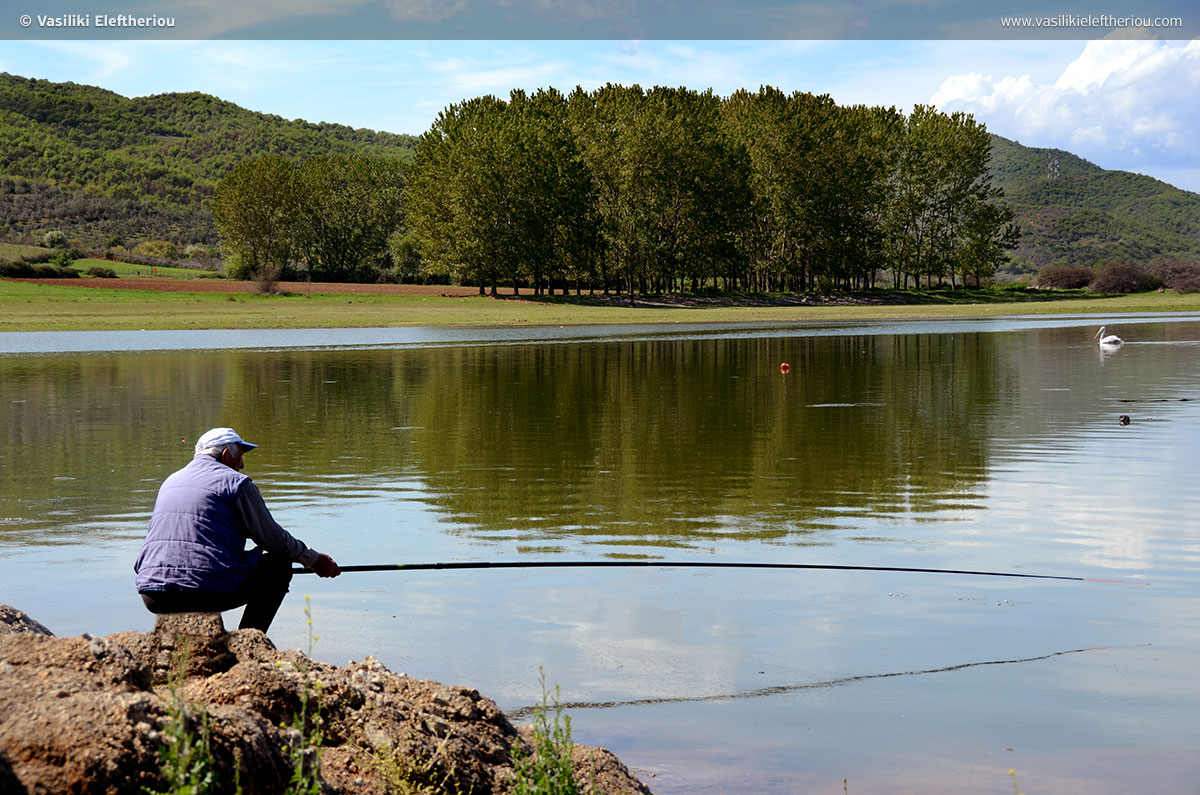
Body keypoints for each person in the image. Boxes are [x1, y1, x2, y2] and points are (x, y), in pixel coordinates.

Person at [135, 427, 340, 633]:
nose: (242, 465)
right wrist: (313, 559)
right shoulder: (235, 483)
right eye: (240, 456)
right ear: (225, 455)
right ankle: (249, 643)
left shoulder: (170, 481)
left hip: (152, 592)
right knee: (278, 565)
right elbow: (274, 540)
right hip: (200, 590)